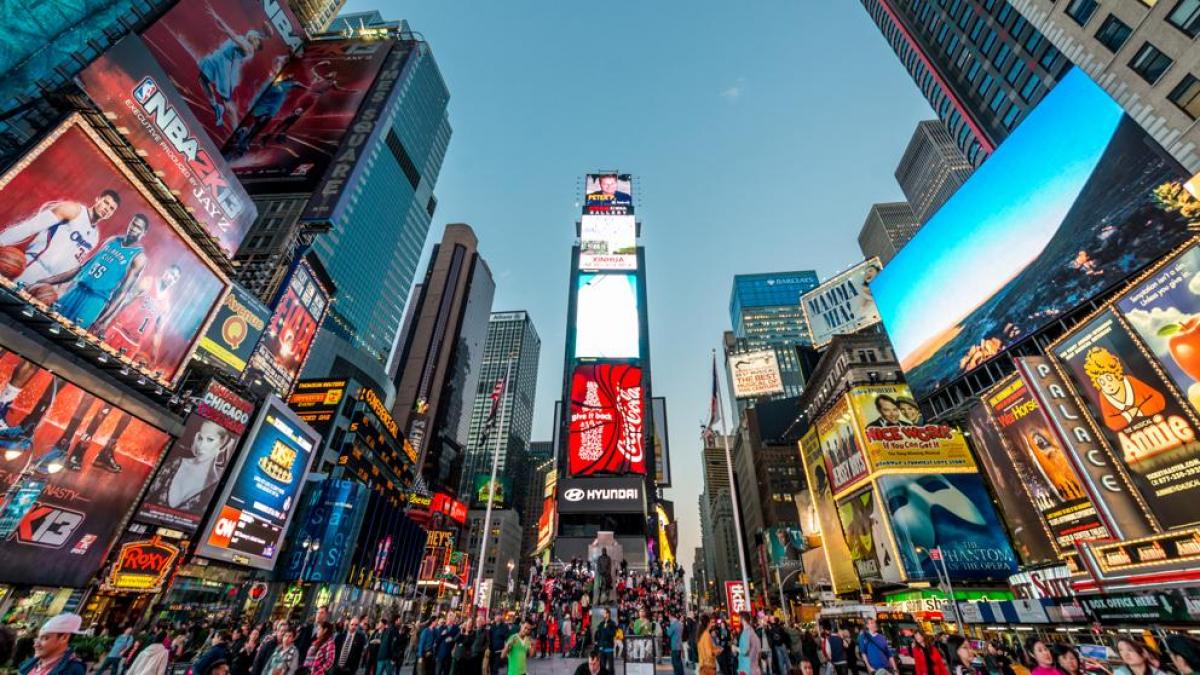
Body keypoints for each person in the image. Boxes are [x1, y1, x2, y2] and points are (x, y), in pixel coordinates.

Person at [31, 214, 149, 332]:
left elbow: (122, 293)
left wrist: (103, 321)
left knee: (68, 334)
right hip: (76, 289)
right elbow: (82, 268)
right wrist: (49, 280)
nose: (133, 228)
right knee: (47, 325)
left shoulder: (138, 257)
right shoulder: (112, 240)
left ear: (144, 233)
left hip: (95, 300)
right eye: (133, 224)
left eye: (138, 227)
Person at [17, 613, 86, 675]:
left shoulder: (72, 670)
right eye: (37, 638)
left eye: (45, 638)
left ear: (64, 638)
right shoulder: (33, 661)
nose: (35, 645)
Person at [594, 609, 617, 674]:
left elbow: (613, 634)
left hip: (609, 647)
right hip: (602, 648)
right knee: (602, 666)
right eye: (604, 613)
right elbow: (598, 634)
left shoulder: (612, 623)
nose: (605, 614)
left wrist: (607, 627)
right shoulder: (601, 624)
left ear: (609, 614)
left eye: (606, 613)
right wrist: (598, 644)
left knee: (611, 667)